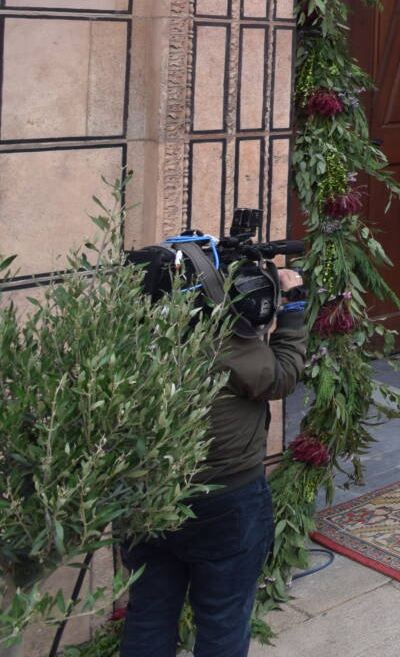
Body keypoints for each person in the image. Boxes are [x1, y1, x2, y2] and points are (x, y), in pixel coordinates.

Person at [121, 257, 308, 657]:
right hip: (226, 500)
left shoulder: (120, 341)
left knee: (149, 612)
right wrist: (290, 309)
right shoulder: (224, 345)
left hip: (145, 497)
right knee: (222, 618)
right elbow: (282, 376)